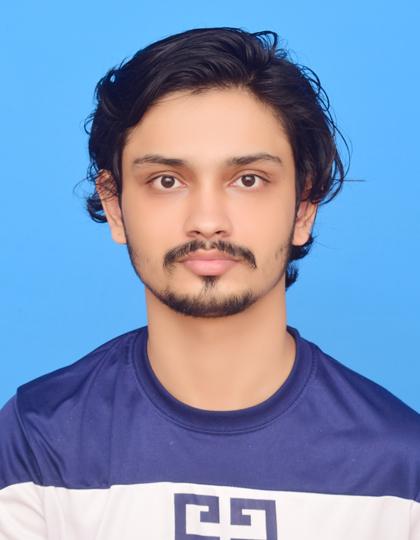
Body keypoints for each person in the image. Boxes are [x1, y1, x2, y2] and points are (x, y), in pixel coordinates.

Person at [0, 26, 419, 539]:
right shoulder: (36, 440)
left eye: (248, 180)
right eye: (166, 181)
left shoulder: (402, 469)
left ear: (303, 207)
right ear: (114, 205)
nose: (207, 221)